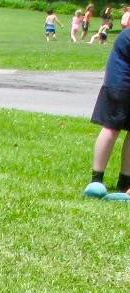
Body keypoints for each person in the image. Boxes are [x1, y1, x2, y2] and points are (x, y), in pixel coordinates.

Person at [85, 19, 130, 198]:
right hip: (120, 84)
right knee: (112, 128)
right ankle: (97, 180)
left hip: (117, 84)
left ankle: (124, 181)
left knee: (112, 128)